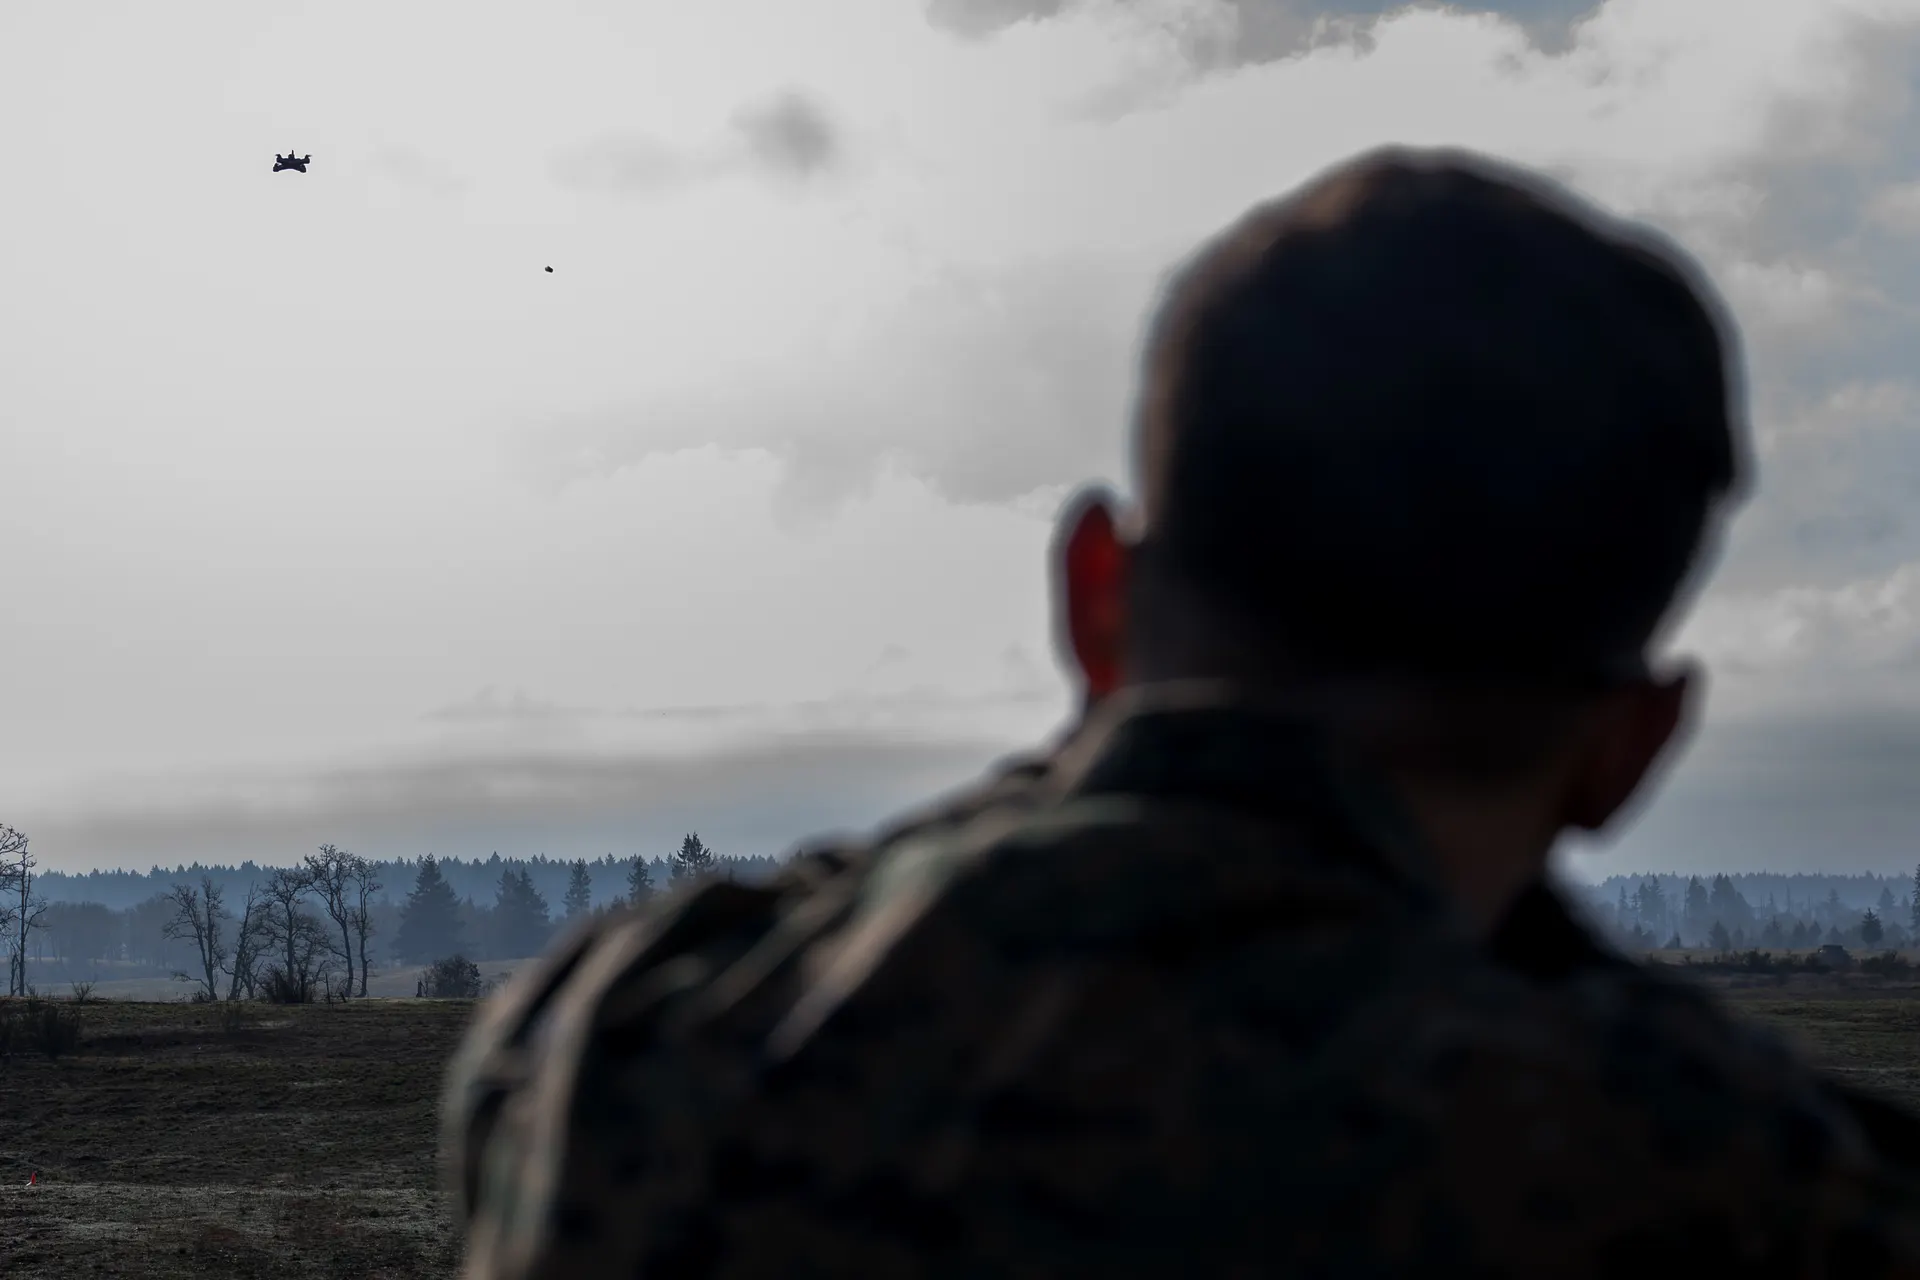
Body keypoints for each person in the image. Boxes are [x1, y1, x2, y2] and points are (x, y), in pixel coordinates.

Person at [442, 146, 1920, 1277]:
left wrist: (1127, 771)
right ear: (1631, 748)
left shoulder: (625, 1058)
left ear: (1095, 591)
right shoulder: (1749, 1196)